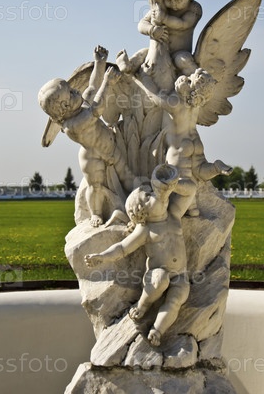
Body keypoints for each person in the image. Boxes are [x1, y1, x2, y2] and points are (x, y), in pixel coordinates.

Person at [84, 163, 190, 347]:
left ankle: (157, 330)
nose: (155, 194)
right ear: (142, 212)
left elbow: (190, 191)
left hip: (181, 274)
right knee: (160, 280)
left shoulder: (173, 215)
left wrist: (173, 186)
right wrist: (101, 256)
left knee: (176, 300)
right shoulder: (145, 229)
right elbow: (122, 248)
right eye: (148, 196)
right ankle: (143, 305)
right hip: (157, 273)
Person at [38, 47, 133, 227]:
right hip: (92, 157)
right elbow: (97, 110)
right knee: (95, 187)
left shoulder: (80, 107)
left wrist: (99, 63)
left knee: (126, 174)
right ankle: (96, 213)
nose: (76, 91)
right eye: (71, 92)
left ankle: (136, 196)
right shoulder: (73, 125)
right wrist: (108, 82)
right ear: (65, 107)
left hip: (110, 148)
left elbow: (92, 87)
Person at [133, 69, 232, 218]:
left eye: (190, 78)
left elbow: (155, 96)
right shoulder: (196, 105)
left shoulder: (176, 103)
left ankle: (163, 185)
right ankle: (215, 169)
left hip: (181, 147)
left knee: (179, 187)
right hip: (195, 142)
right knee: (199, 172)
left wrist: (139, 75)